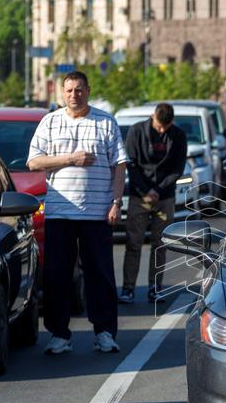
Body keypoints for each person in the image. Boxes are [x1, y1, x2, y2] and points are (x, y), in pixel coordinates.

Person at [27, 71, 128, 355]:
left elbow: (119, 165)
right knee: (57, 275)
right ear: (62, 93)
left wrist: (116, 202)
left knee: (100, 274)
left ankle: (105, 332)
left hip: (97, 213)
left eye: (79, 89)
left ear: (88, 90)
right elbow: (34, 162)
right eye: (69, 90)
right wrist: (70, 158)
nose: (74, 95)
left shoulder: (105, 122)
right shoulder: (50, 122)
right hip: (60, 213)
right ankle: (59, 334)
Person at [119, 103, 188, 304]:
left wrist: (158, 190)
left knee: (160, 244)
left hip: (164, 197)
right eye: (158, 126)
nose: (161, 130)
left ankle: (154, 287)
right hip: (139, 196)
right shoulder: (136, 131)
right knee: (134, 243)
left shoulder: (178, 135)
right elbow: (131, 163)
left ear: (171, 123)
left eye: (165, 128)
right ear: (152, 117)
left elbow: (178, 168)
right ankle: (128, 288)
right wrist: (145, 190)